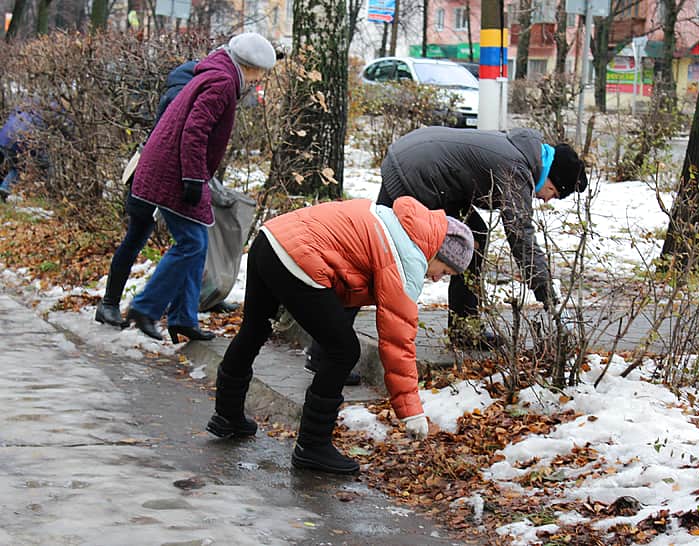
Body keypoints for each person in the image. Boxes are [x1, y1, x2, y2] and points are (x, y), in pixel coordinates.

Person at [206, 196, 475, 475]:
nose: (435, 279)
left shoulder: (392, 220)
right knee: (344, 350)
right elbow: (399, 340)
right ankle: (312, 446)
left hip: (271, 238)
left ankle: (227, 416)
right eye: (444, 272)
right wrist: (411, 411)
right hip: (298, 257)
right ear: (438, 253)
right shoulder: (406, 257)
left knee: (255, 328)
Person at [310, 126, 587, 357]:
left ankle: (465, 329)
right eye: (554, 192)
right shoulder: (518, 168)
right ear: (550, 175)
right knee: (379, 258)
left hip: (417, 164)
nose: (547, 199)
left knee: (473, 236)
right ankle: (326, 351)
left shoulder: (521, 152)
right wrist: (548, 296)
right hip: (416, 176)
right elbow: (520, 236)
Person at [123, 32, 276, 343]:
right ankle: (145, 307)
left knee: (196, 242)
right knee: (191, 243)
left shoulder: (217, 71)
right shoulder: (222, 83)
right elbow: (195, 131)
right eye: (261, 73)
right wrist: (193, 177)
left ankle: (182, 317)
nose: (259, 79)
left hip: (171, 167)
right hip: (175, 172)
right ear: (253, 67)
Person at [95, 60, 198, 327]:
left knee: (145, 239)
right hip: (157, 177)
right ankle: (117, 305)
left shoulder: (176, 91)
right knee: (178, 242)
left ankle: (112, 304)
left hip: (150, 174)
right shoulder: (181, 96)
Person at [0, 106, 47, 202]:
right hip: (17, 143)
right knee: (18, 167)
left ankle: (4, 187)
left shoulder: (23, 110)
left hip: (3, 139)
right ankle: (4, 189)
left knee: (10, 165)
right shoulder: (41, 118)